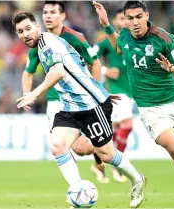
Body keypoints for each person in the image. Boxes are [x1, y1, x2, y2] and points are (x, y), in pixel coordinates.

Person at [93, 1, 174, 208]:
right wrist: (106, 25)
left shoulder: (163, 38)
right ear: (125, 20)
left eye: (138, 17)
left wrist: (171, 67)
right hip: (149, 107)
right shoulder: (126, 35)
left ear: (146, 15)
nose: (135, 22)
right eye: (130, 18)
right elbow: (119, 47)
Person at [12, 11, 146, 208]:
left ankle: (137, 179)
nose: (25, 34)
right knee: (57, 146)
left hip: (91, 105)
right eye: (20, 31)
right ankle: (78, 192)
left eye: (28, 28)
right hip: (70, 107)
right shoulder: (40, 47)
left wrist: (34, 93)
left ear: (38, 27)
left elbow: (57, 71)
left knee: (106, 154)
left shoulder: (48, 45)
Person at [21, 1, 108, 183]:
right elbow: (27, 72)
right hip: (55, 102)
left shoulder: (75, 38)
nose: (48, 16)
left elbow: (95, 63)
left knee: (81, 148)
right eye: (45, 12)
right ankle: (78, 189)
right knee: (62, 148)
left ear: (62, 16)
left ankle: (102, 155)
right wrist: (27, 94)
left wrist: (95, 93)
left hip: (80, 100)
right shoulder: (37, 42)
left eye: (53, 12)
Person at [92, 8, 133, 183]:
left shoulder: (134, 40)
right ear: (115, 21)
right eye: (121, 18)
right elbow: (88, 57)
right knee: (127, 125)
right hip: (116, 92)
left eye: (127, 19)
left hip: (131, 91)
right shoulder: (107, 42)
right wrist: (105, 70)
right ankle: (117, 165)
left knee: (112, 131)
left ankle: (100, 164)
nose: (124, 22)